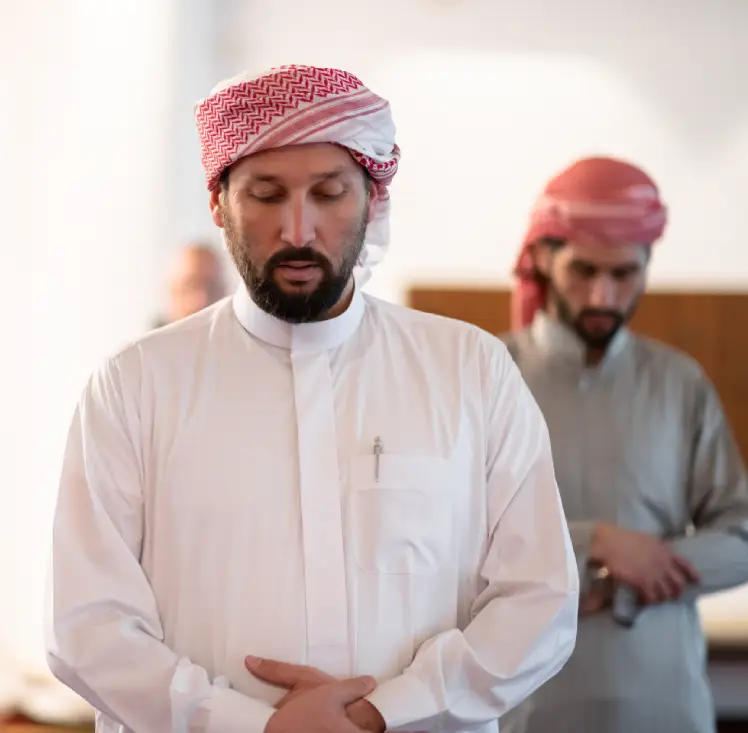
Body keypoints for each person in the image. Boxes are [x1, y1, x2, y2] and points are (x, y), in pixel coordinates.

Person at [46, 64, 579, 733]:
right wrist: (249, 723)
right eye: (265, 195)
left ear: (372, 201)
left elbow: (539, 599)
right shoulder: (135, 385)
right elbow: (86, 623)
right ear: (218, 204)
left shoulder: (470, 370)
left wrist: (384, 711)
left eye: (329, 194)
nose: (298, 229)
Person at [498, 157, 748, 733]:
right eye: (583, 271)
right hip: (528, 707)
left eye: (624, 274)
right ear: (541, 258)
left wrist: (624, 579)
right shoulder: (489, 374)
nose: (602, 296)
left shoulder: (679, 382)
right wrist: (597, 544)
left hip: (665, 704)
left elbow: (740, 534)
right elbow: (453, 535)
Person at [150, 241, 229, 328]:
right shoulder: (148, 340)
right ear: (170, 292)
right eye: (191, 285)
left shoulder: (238, 337)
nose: (202, 300)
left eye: (212, 288)